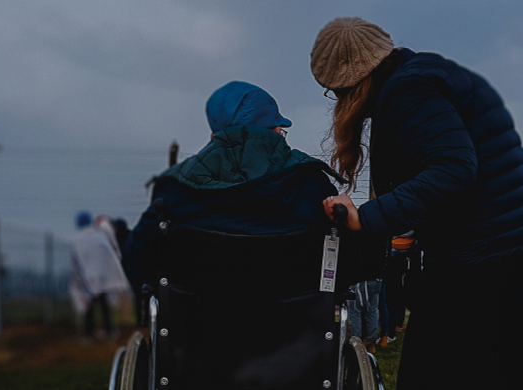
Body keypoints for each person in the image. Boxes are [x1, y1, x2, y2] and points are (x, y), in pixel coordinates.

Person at [313, 17, 523, 389]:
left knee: (433, 374)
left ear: (353, 84)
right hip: (509, 248)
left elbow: (453, 170)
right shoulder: (427, 73)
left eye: (337, 93)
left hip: (478, 261)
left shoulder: (409, 91)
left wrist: (366, 217)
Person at [121, 80, 358, 306]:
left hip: (195, 335)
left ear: (214, 135)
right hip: (296, 335)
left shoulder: (173, 188)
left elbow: (136, 265)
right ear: (277, 130)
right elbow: (348, 264)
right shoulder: (313, 184)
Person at [70, 211, 132, 340]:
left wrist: (79, 279)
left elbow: (76, 261)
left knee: (89, 307)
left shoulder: (77, 239)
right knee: (104, 305)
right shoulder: (99, 235)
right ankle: (110, 332)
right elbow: (111, 253)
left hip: (88, 277)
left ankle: (88, 333)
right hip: (104, 276)